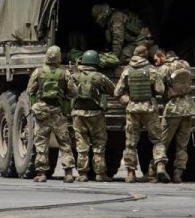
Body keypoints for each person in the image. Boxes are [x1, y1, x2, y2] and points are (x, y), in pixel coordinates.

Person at [114, 45, 169, 183]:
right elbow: (160, 90)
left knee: (131, 143)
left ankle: (130, 173)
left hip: (133, 109)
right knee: (157, 140)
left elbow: (117, 92)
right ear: (145, 55)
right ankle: (160, 165)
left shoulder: (127, 71)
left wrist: (128, 100)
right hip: (149, 108)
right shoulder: (152, 70)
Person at [25, 45, 77, 183]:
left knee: (41, 143)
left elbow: (30, 91)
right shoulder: (64, 73)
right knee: (64, 143)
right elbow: (73, 92)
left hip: (42, 113)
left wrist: (35, 105)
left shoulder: (38, 72)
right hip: (58, 112)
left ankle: (41, 173)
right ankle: (68, 173)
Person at [70, 50, 116, 182]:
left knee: (81, 145)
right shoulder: (100, 77)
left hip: (78, 114)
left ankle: (82, 174)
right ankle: (100, 174)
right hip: (96, 115)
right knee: (99, 145)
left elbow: (67, 92)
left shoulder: (74, 76)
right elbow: (114, 91)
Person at [155, 48, 195, 183]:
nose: (156, 62)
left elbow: (159, 89)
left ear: (162, 56)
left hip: (172, 108)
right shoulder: (185, 65)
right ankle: (178, 173)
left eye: (156, 59)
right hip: (188, 107)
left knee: (162, 141)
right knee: (182, 145)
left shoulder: (164, 68)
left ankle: (160, 167)